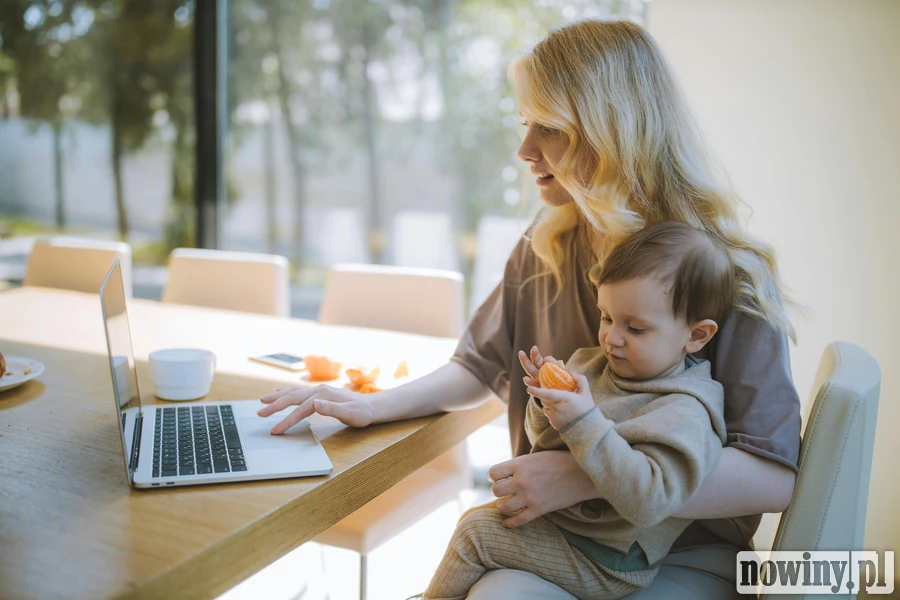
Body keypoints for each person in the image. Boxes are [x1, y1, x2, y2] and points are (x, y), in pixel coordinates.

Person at [258, 18, 801, 599]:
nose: (524, 150)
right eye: (525, 125)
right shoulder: (548, 242)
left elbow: (771, 478)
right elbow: (479, 366)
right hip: (561, 535)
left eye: (549, 128)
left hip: (679, 555)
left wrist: (584, 476)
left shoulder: (724, 274)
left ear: (610, 131)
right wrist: (375, 404)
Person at [423, 222, 733, 600]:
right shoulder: (595, 364)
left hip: (609, 559)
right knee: (479, 522)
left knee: (475, 535)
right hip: (568, 528)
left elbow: (650, 500)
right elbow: (546, 442)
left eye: (635, 328)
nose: (611, 338)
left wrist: (584, 421)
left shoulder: (686, 410)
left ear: (696, 336)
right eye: (606, 317)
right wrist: (547, 402)